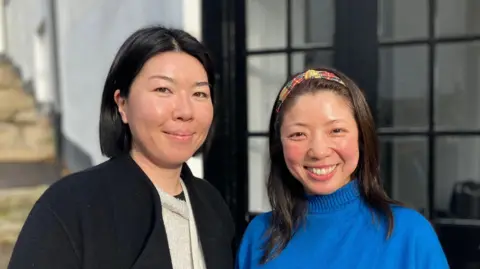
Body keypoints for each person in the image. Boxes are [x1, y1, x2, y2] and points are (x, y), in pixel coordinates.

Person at [8, 25, 235, 269]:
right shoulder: (71, 207)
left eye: (199, 94)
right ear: (122, 104)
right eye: (163, 90)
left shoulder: (212, 206)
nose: (185, 111)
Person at [236, 67, 449, 268]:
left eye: (336, 130)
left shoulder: (410, 234)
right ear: (279, 145)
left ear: (361, 137)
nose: (318, 151)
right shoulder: (259, 235)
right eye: (298, 134)